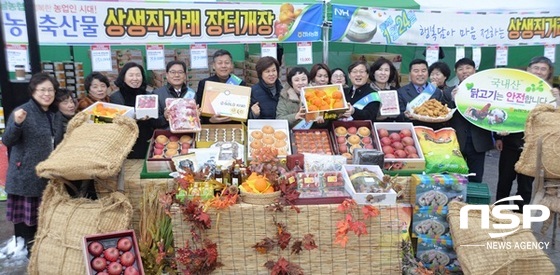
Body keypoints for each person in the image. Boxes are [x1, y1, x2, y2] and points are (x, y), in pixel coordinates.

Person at [2, 72, 64, 257]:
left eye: (50, 90)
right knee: (28, 222)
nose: (47, 94)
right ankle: (29, 254)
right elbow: (7, 140)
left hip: (48, 174)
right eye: (42, 90)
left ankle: (41, 252)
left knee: (44, 218)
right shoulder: (22, 112)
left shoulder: (54, 114)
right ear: (33, 91)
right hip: (26, 175)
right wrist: (17, 124)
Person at [495, 56, 554, 210]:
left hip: (534, 147)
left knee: (526, 185)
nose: (539, 72)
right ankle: (500, 212)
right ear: (528, 69)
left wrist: (557, 99)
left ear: (548, 73)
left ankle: (520, 216)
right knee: (504, 181)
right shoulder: (515, 88)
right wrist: (498, 136)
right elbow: (502, 110)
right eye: (536, 68)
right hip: (510, 142)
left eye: (543, 69)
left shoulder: (550, 94)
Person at [445, 58, 494, 183]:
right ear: (456, 72)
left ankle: (473, 202)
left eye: (468, 68)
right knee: (454, 179)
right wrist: (452, 100)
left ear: (475, 70)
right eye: (460, 69)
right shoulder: (448, 92)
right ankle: (455, 202)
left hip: (478, 141)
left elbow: (493, 112)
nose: (464, 71)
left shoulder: (486, 92)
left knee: (476, 178)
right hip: (456, 141)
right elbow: (444, 115)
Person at [110, 62, 154, 159]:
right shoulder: (116, 97)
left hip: (147, 142)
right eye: (131, 75)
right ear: (123, 77)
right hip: (126, 144)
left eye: (138, 75)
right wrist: (135, 118)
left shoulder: (148, 95)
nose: (135, 78)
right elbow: (116, 123)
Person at [196, 49, 246, 124]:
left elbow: (243, 110)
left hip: (234, 127)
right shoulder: (205, 84)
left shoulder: (240, 84)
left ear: (232, 65)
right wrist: (210, 120)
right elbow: (199, 110)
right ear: (213, 66)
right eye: (220, 63)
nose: (223, 66)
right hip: (211, 127)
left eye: (227, 63)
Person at [397, 59, 447, 127]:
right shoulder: (401, 92)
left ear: (428, 73)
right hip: (411, 132)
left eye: (423, 71)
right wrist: (405, 115)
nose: (420, 74)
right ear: (410, 74)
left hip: (432, 131)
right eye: (416, 71)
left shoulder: (436, 91)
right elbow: (397, 116)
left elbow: (442, 112)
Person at [152, 60, 194, 129]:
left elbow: (195, 120)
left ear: (185, 75)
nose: (177, 75)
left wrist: (197, 116)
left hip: (188, 135)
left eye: (180, 72)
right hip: (166, 136)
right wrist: (164, 117)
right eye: (173, 72)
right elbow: (153, 122)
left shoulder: (192, 93)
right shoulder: (157, 94)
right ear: (167, 75)